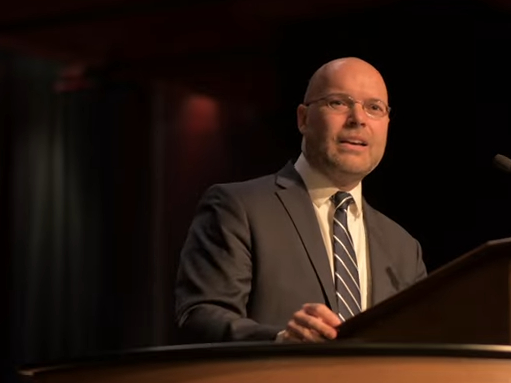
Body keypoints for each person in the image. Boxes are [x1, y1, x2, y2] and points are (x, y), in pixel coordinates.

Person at [174, 57, 427, 343]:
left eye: (374, 107)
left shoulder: (404, 249)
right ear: (303, 119)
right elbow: (201, 316)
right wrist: (280, 341)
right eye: (338, 103)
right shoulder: (239, 208)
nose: (358, 118)